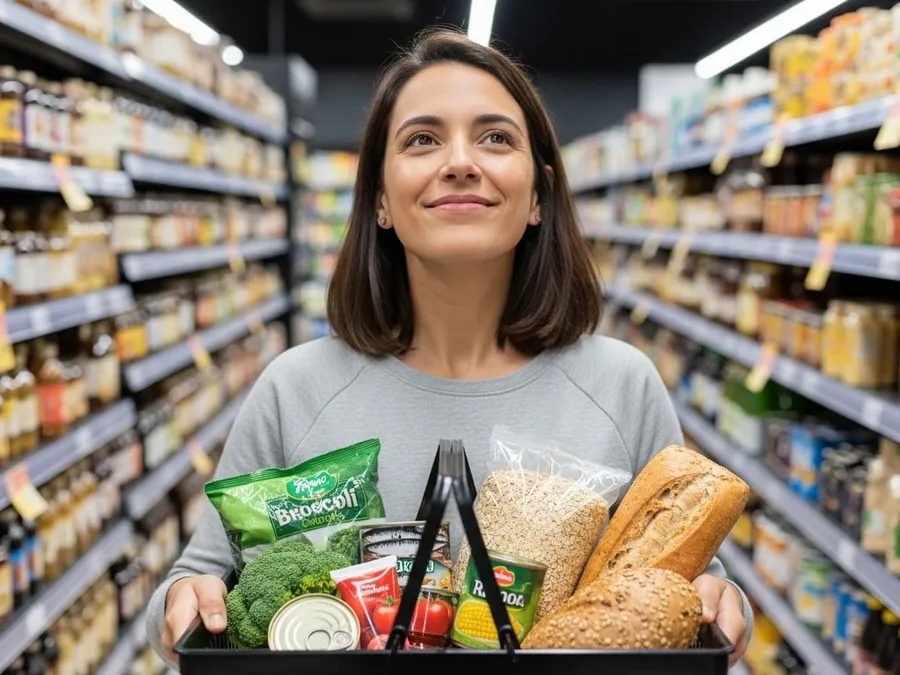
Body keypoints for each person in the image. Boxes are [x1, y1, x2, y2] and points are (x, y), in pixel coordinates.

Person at [148, 26, 753, 668]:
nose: (460, 161)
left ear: (538, 197)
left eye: (495, 137)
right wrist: (186, 598)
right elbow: (202, 578)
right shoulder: (295, 388)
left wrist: (721, 599)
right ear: (380, 198)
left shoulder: (621, 385)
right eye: (422, 140)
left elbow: (681, 585)